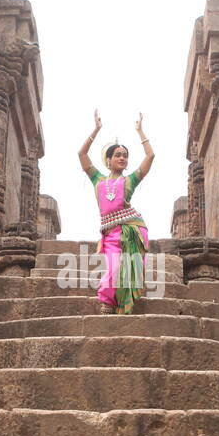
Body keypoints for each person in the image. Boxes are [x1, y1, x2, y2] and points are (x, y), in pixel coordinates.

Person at [78, 110, 154, 314]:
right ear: (109, 160)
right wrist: (96, 129)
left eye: (125, 156)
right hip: (110, 232)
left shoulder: (130, 180)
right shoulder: (97, 179)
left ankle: (113, 304)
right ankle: (108, 302)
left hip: (131, 229)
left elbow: (150, 156)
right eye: (118, 155)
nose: (122, 158)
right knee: (113, 268)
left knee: (129, 267)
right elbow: (82, 155)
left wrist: (140, 131)